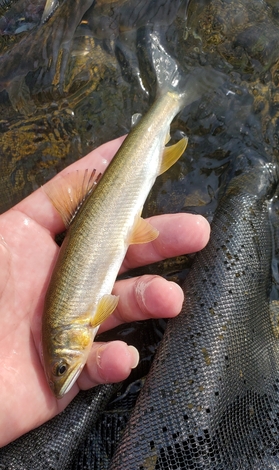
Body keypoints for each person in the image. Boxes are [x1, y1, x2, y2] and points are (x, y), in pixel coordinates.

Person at [0, 136, 210, 448]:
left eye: (61, 368)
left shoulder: (79, 321)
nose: (62, 378)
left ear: (66, 337)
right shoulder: (69, 328)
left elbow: (106, 306)